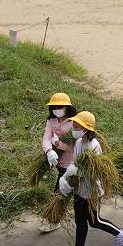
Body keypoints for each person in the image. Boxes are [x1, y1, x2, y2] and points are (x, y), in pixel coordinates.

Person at [56, 111, 123, 246]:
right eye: (74, 125)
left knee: (94, 221)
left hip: (91, 190)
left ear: (86, 128)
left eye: (77, 126)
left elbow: (92, 171)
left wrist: (74, 173)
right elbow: (75, 164)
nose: (74, 128)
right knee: (80, 221)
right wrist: (67, 177)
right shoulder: (78, 142)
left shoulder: (93, 146)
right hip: (79, 188)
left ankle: (122, 235)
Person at [40, 93, 78, 232]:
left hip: (73, 164)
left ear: (67, 107)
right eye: (53, 107)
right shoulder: (51, 121)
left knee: (60, 193)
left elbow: (76, 146)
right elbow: (46, 138)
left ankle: (54, 220)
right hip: (59, 162)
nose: (56, 109)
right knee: (67, 192)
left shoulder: (75, 122)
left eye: (59, 107)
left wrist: (58, 144)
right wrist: (49, 150)